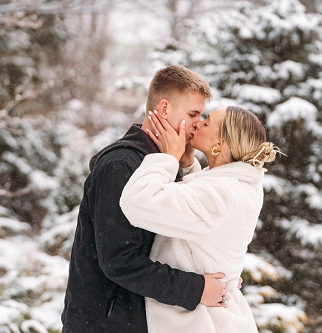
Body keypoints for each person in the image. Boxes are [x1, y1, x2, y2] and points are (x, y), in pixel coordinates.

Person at [61, 65, 230, 333]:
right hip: (104, 324)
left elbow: (179, 238)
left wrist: (184, 166)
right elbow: (120, 261)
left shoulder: (165, 162)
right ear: (163, 109)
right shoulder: (121, 166)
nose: (198, 123)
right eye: (193, 113)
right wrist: (196, 290)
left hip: (139, 320)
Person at [120, 105, 279, 333]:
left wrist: (167, 158)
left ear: (220, 146)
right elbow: (201, 221)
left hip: (201, 322)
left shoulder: (221, 194)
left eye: (206, 123)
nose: (198, 123)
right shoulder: (243, 184)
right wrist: (187, 165)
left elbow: (137, 202)